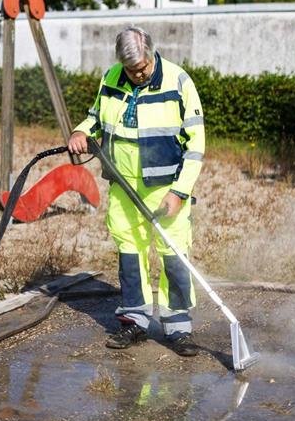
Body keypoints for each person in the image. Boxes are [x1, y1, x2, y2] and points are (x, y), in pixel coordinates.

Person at [67, 26, 205, 357]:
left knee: (173, 256)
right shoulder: (112, 77)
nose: (137, 74)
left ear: (151, 55)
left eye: (141, 67)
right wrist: (80, 131)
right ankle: (135, 321)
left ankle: (178, 327)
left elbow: (197, 144)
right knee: (131, 254)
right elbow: (94, 118)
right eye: (131, 70)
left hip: (166, 188)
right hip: (123, 185)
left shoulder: (178, 82)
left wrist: (179, 192)